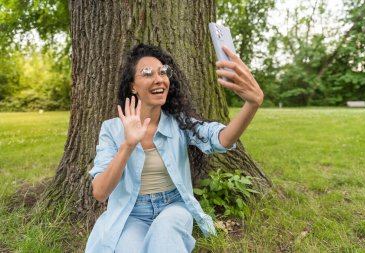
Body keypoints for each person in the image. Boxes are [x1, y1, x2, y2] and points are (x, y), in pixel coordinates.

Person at [85, 43, 263, 253]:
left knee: (165, 234)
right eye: (148, 73)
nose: (159, 78)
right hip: (132, 213)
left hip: (173, 207)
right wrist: (129, 144)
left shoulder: (179, 123)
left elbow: (221, 139)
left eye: (164, 72)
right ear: (133, 85)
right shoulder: (111, 129)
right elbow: (100, 192)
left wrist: (252, 104)